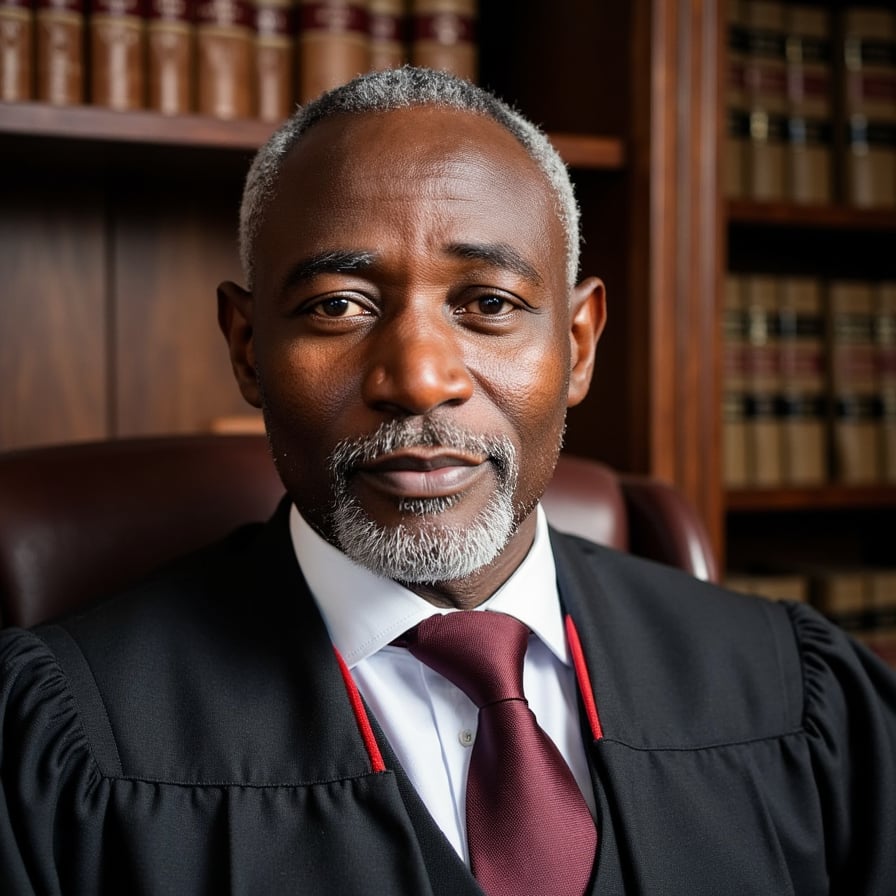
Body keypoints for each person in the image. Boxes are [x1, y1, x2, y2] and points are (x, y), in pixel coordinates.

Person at [1, 66, 895, 896]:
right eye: (337, 307)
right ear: (247, 349)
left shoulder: (803, 701)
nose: (421, 377)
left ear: (578, 344)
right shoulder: (59, 745)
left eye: (490, 305)